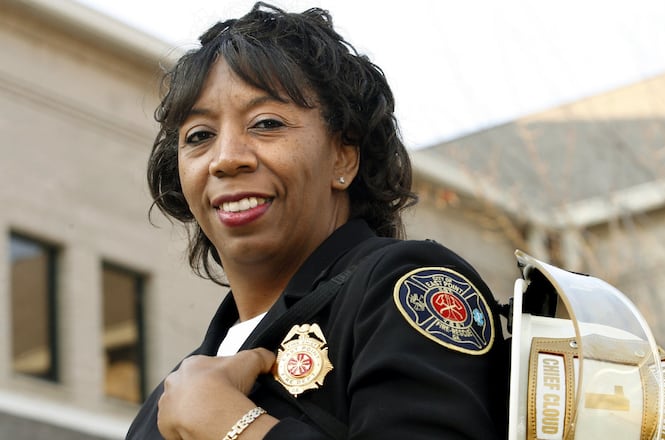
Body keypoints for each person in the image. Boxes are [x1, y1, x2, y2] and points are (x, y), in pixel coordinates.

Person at [126, 2, 508, 439]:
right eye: (199, 136)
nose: (226, 158)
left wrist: (232, 425)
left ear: (344, 155)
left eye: (266, 123)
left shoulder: (408, 287)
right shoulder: (167, 400)